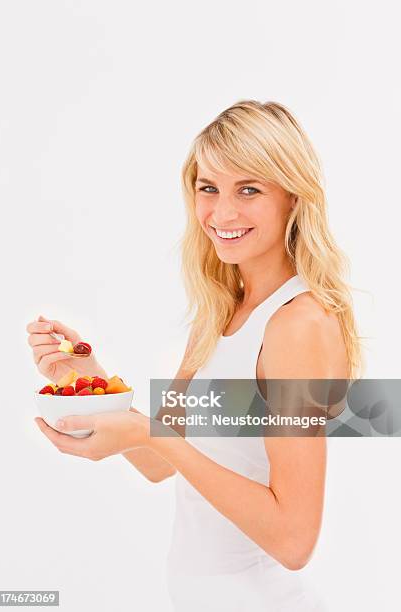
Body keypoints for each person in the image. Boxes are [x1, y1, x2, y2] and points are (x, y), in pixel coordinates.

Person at [27, 100, 363, 611]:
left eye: (248, 189)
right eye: (209, 188)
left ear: (293, 197)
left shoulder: (298, 324)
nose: (222, 213)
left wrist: (145, 433)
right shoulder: (222, 311)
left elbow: (295, 542)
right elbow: (158, 463)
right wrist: (90, 379)